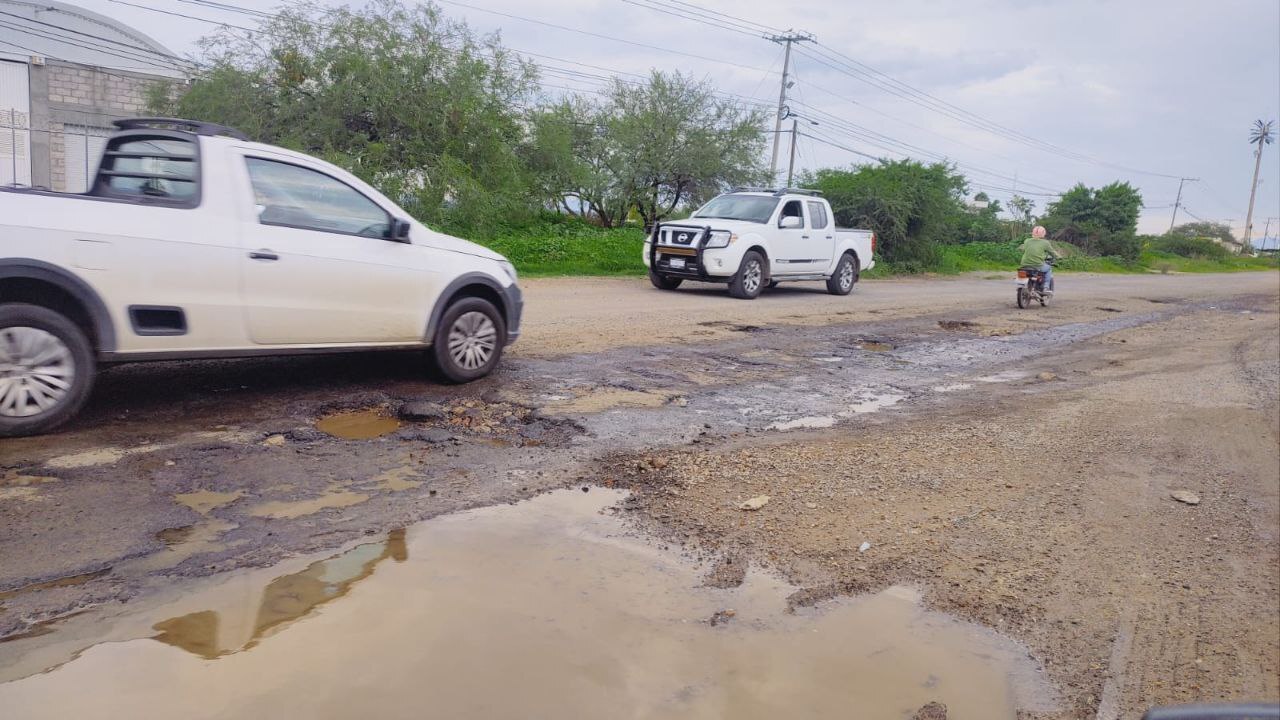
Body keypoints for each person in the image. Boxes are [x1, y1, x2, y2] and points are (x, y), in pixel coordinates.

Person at [1019, 226, 1058, 293]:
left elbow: (1023, 248)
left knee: (1023, 274)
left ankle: (1024, 286)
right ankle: (1046, 287)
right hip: (1038, 265)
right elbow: (1052, 252)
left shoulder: (1027, 241)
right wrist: (1059, 257)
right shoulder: (1045, 243)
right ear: (1043, 233)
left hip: (1024, 265)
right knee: (1048, 268)